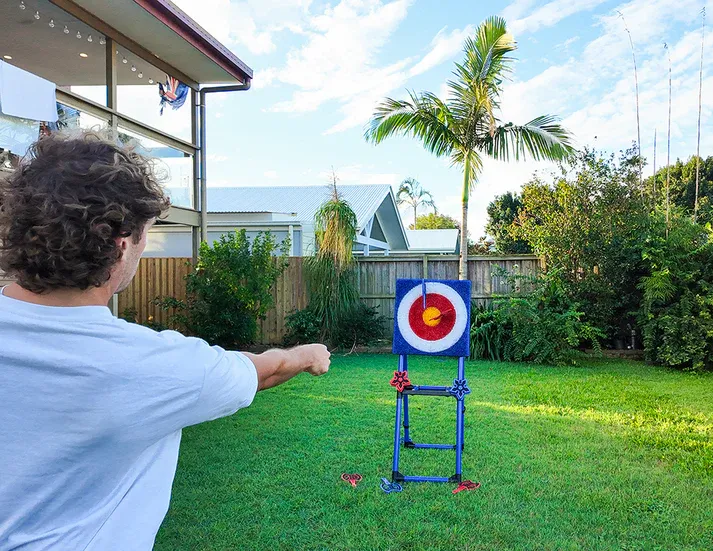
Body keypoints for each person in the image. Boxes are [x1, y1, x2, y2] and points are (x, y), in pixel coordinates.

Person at [0, 131, 330, 551]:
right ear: (121, 245)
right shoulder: (151, 366)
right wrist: (308, 354)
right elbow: (267, 370)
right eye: (145, 236)